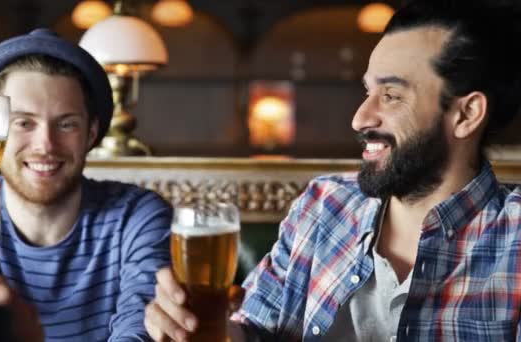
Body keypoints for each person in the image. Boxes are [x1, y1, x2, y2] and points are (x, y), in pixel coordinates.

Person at [144, 1, 521, 340]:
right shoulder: (325, 204)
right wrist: (198, 328)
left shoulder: (514, 238)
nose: (360, 118)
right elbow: (256, 330)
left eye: (390, 96)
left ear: (466, 114)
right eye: (367, 92)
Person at [0, 29, 172, 341]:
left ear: (91, 133)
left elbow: (141, 330)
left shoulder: (137, 217)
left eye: (66, 124)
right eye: (24, 122)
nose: (46, 144)